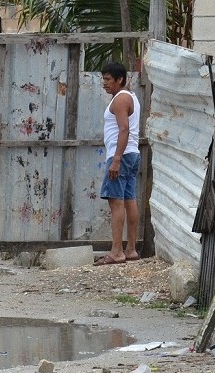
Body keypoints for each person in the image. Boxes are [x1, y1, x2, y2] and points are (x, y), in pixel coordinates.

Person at [95, 61, 141, 266]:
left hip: (121, 155)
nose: (104, 83)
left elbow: (124, 129)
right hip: (132, 154)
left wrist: (116, 159)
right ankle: (130, 249)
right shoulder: (129, 96)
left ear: (119, 80)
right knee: (129, 199)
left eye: (107, 79)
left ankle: (116, 252)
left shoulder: (121, 99)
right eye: (103, 79)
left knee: (116, 203)